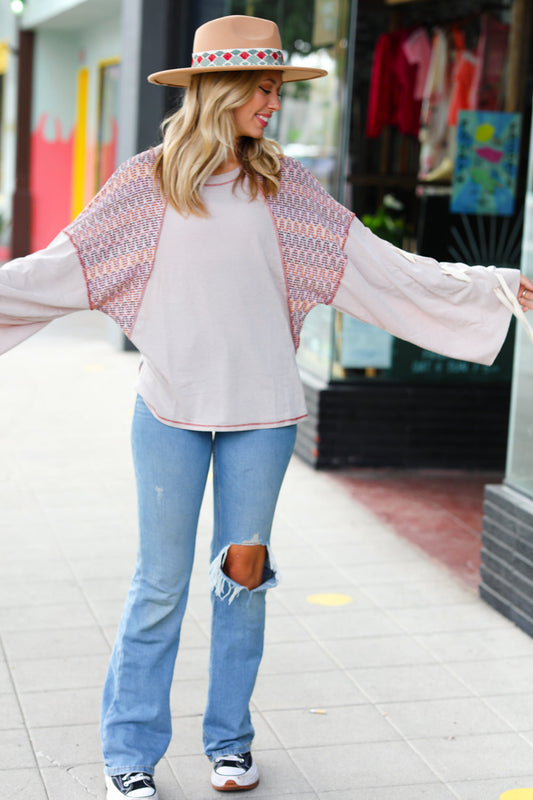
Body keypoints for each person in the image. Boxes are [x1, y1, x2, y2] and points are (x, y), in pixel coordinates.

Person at [1, 13, 532, 800]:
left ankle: (230, 744)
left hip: (265, 418)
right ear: (218, 89)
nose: (272, 103)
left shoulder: (285, 189)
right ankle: (130, 754)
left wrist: (487, 286)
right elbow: (50, 272)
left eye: (278, 88)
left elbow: (383, 272)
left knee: (241, 578)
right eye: (262, 88)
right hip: (169, 416)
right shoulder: (144, 186)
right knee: (159, 586)